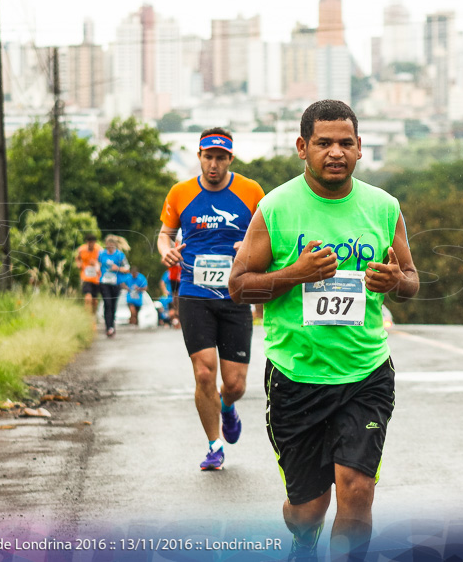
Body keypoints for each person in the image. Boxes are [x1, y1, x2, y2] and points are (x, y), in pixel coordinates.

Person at [229, 100, 419, 561]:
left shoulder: (382, 206)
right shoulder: (275, 208)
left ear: (359, 150)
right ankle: (302, 540)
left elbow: (411, 279)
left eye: (345, 143)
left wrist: (396, 281)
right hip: (296, 377)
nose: (335, 152)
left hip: (365, 373)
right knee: (307, 510)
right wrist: (296, 272)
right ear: (302, 147)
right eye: (324, 143)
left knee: (356, 492)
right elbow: (238, 287)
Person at [157, 128, 265, 471]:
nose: (214, 164)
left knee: (234, 384)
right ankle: (214, 445)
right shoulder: (181, 192)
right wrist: (167, 252)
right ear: (199, 157)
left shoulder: (251, 192)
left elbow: (265, 237)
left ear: (230, 159)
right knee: (204, 373)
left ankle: (227, 405)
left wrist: (247, 248)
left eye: (221, 157)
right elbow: (165, 234)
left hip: (235, 295)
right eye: (208, 157)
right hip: (194, 293)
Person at [97, 235, 129, 338]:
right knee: (107, 303)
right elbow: (98, 266)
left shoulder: (120, 255)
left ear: (114, 245)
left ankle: (112, 326)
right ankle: (108, 327)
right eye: (108, 246)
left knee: (113, 305)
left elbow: (127, 269)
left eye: (111, 246)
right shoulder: (101, 254)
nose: (109, 248)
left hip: (116, 283)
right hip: (104, 282)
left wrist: (117, 268)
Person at [75, 234, 102, 318]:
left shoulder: (99, 250)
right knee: (88, 298)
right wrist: (79, 265)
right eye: (89, 242)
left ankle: (93, 316)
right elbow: (77, 258)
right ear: (87, 242)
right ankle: (87, 317)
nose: (91, 244)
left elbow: (103, 262)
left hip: (96, 278)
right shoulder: (81, 249)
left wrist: (96, 264)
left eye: (93, 243)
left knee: (94, 301)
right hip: (86, 277)